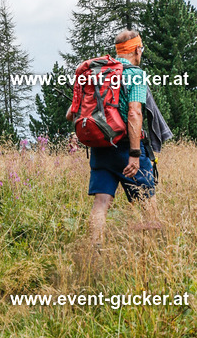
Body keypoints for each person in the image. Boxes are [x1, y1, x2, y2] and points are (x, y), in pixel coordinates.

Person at [67, 29, 161, 244]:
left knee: (101, 203)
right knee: (148, 205)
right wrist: (135, 154)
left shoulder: (96, 74)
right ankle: (155, 252)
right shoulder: (135, 75)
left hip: (100, 148)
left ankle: (94, 250)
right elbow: (134, 112)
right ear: (137, 49)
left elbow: (71, 113)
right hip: (128, 148)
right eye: (141, 49)